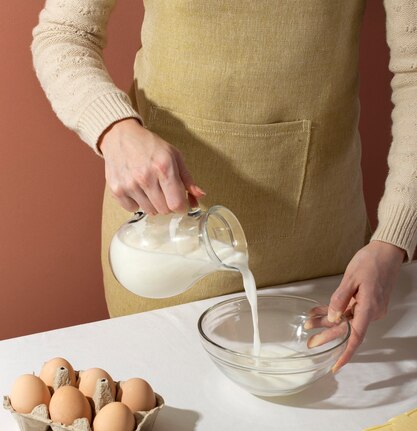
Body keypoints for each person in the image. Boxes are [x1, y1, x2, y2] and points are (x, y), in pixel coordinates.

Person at [32, 1, 416, 371]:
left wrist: (393, 241)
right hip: (161, 240)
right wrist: (114, 131)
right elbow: (64, 34)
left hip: (324, 258)